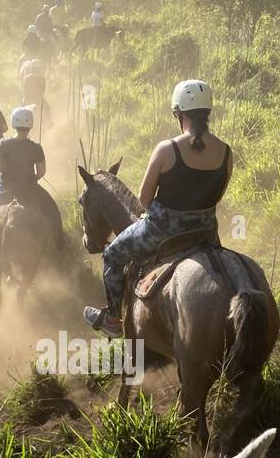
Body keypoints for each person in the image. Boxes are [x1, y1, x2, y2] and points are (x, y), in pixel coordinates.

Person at [83, 79, 231, 338]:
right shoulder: (226, 152)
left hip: (161, 231)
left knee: (113, 255)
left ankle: (114, 318)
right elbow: (216, 197)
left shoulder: (167, 149)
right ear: (207, 112)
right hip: (206, 233)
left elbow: (143, 199)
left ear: (178, 113)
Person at [0, 106, 66, 254]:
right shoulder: (36, 147)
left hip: (5, 187)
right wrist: (31, 179)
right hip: (29, 188)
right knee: (53, 210)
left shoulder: (3, 143)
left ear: (14, 124)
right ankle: (59, 243)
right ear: (30, 125)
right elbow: (41, 171)